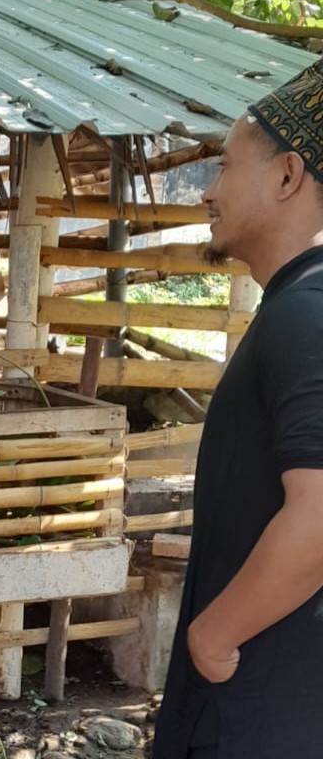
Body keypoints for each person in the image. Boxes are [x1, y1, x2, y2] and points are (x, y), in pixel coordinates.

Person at [153, 57, 323, 758]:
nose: (207, 191)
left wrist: (213, 635)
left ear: (287, 175)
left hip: (267, 713)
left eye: (223, 168)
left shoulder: (306, 315)